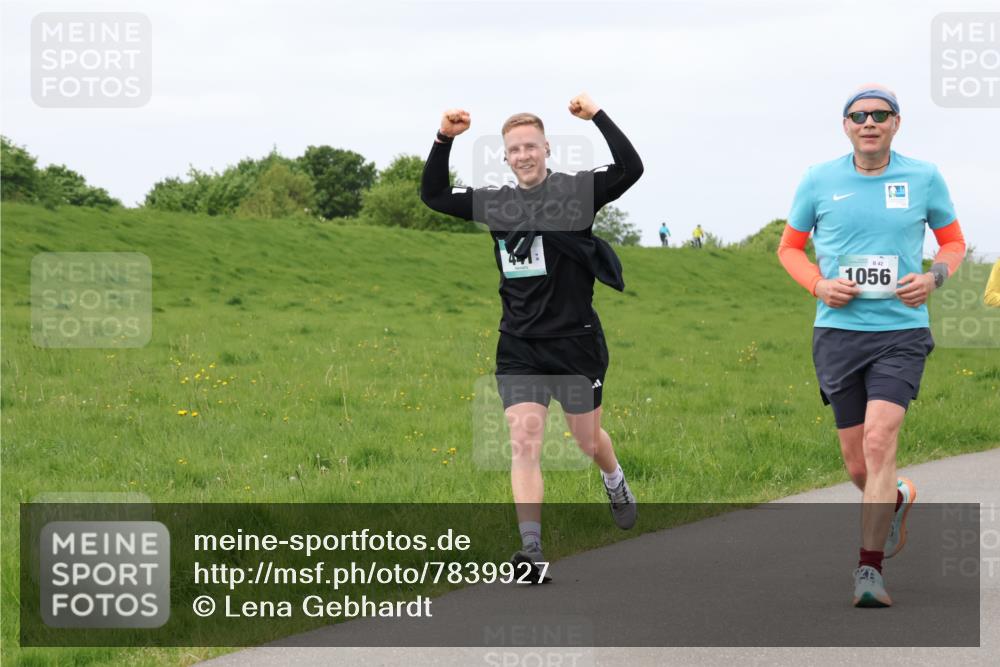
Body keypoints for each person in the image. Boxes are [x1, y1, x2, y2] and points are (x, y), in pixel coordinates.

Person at [420, 93, 644, 582]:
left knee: (587, 440)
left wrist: (597, 116)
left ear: (546, 149)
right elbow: (433, 195)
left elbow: (631, 168)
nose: (523, 155)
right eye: (514, 149)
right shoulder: (496, 202)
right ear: (505, 157)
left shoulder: (576, 193)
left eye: (530, 146)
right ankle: (532, 551)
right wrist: (443, 139)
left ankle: (613, 478)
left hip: (575, 343)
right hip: (520, 345)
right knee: (523, 441)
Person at [778, 84, 966, 607]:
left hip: (901, 332)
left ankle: (869, 571)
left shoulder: (924, 177)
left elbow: (953, 241)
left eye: (881, 115)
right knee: (858, 465)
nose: (869, 123)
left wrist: (933, 277)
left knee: (880, 442)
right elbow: (789, 248)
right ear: (846, 126)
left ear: (895, 124)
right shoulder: (818, 179)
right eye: (859, 116)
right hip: (838, 335)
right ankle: (896, 496)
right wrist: (818, 284)